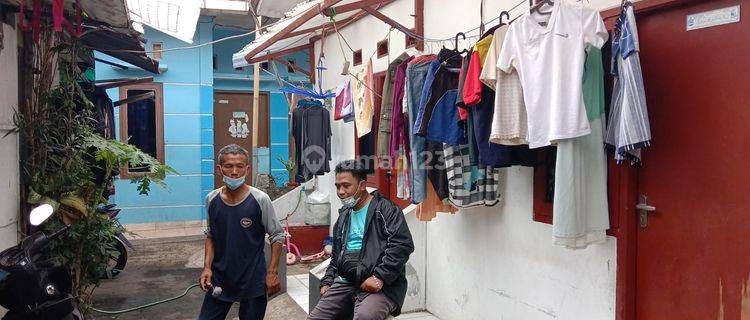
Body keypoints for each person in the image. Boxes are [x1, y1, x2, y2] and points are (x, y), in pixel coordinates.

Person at [308, 160, 415, 320]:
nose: (341, 191)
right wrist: (328, 279)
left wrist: (380, 277)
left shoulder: (384, 209)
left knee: (365, 317)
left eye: (346, 185)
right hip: (346, 282)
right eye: (338, 186)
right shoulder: (344, 215)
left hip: (382, 285)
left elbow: (402, 244)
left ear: (362, 185)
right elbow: (337, 255)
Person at [198, 144, 285, 320]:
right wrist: (207, 267)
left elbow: (277, 235)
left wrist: (272, 272)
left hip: (253, 281)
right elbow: (211, 235)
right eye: (229, 166)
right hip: (220, 279)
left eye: (240, 166)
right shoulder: (211, 199)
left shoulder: (260, 199)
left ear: (247, 168)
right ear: (219, 169)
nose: (235, 172)